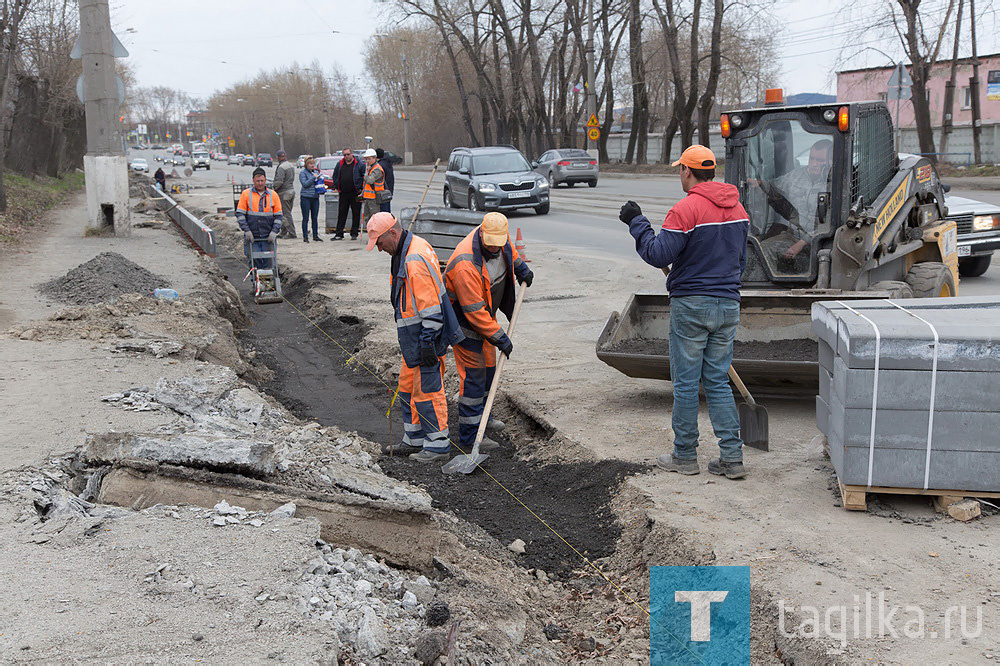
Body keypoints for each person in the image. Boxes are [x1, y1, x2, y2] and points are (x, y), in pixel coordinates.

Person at [619, 144, 750, 480]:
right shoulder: (739, 209)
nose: (680, 173)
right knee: (718, 381)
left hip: (692, 305)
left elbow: (658, 254)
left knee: (687, 384)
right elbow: (741, 261)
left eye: (680, 169)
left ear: (687, 172)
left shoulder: (686, 209)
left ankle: (685, 456)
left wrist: (637, 222)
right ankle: (732, 459)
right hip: (728, 304)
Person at [366, 212, 463, 462]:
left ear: (393, 233)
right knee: (408, 387)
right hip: (415, 336)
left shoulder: (414, 259)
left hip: (425, 335)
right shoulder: (406, 251)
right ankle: (415, 438)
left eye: (379, 242)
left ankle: (438, 444)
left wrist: (428, 340)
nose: (379, 249)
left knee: (428, 390)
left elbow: (430, 306)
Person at [444, 212, 534, 455]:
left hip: (485, 316)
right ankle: (471, 436)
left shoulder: (500, 241)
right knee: (474, 377)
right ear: (481, 233)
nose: (495, 249)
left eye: (499, 243)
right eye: (490, 244)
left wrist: (520, 267)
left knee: (489, 369)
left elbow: (509, 252)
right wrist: (500, 337)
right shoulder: (466, 262)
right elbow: (473, 312)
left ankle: (486, 416)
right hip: (464, 324)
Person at [749, 139, 832, 269]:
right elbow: (775, 187)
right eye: (812, 159)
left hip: (823, 241)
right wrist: (759, 183)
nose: (814, 164)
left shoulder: (835, 184)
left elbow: (828, 224)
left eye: (820, 161)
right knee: (762, 251)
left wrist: (801, 244)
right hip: (793, 235)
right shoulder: (797, 176)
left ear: (830, 161)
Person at [236, 167, 282, 272]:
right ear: (253, 181)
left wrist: (274, 232)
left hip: (268, 236)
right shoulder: (246, 194)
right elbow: (240, 214)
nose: (260, 183)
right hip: (253, 236)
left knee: (269, 262)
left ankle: (269, 283)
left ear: (265, 180)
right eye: (258, 181)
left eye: (262, 181)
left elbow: (278, 216)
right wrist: (247, 231)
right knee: (254, 262)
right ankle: (255, 283)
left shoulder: (273, 195)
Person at [332, 148, 364, 240]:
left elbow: (363, 176)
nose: (346, 156)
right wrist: (336, 187)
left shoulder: (359, 164)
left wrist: (361, 188)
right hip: (343, 193)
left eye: (348, 154)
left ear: (352, 154)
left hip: (356, 193)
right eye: (345, 155)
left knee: (356, 213)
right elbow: (335, 176)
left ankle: (354, 233)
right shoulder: (340, 164)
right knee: (342, 213)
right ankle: (339, 233)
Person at [298, 157, 324, 243]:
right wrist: (313, 178)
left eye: (313, 163)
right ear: (306, 165)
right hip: (306, 197)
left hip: (315, 197)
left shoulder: (316, 172)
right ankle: (305, 236)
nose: (312, 165)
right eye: (310, 164)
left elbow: (319, 184)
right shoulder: (303, 173)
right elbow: (305, 184)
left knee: (315, 217)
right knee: (305, 218)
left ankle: (315, 235)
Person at [272, 149, 297, 239]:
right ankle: (283, 232)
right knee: (287, 213)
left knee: (285, 214)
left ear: (278, 157)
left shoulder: (281, 167)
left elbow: (279, 181)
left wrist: (274, 188)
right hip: (291, 191)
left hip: (284, 193)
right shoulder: (290, 165)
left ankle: (292, 233)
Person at [361, 148, 386, 224]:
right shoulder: (370, 168)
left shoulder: (377, 169)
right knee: (367, 217)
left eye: (369, 159)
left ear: (375, 158)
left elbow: (369, 180)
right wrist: (363, 194)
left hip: (374, 197)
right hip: (368, 197)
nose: (367, 161)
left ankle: (376, 234)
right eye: (366, 159)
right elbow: (366, 185)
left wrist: (366, 174)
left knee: (374, 218)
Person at [375, 148, 395, 213]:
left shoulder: (380, 166)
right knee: (387, 212)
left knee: (382, 212)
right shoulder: (388, 163)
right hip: (388, 191)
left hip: (382, 192)